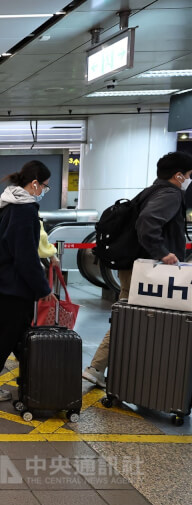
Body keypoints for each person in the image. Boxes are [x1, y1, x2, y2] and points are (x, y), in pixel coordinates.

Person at [83, 151, 192, 388]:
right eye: (189, 175)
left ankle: (113, 370)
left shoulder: (151, 191)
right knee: (132, 318)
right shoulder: (170, 194)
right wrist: (163, 252)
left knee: (133, 317)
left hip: (138, 267)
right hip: (148, 271)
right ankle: (99, 368)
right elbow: (148, 223)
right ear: (179, 176)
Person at [0, 161, 57, 401]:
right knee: (3, 338)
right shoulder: (24, 209)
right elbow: (25, 255)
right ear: (34, 184)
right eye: (44, 187)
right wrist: (42, 288)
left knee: (17, 337)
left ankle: (36, 380)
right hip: (14, 288)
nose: (43, 191)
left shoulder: (8, 203)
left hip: (4, 283)